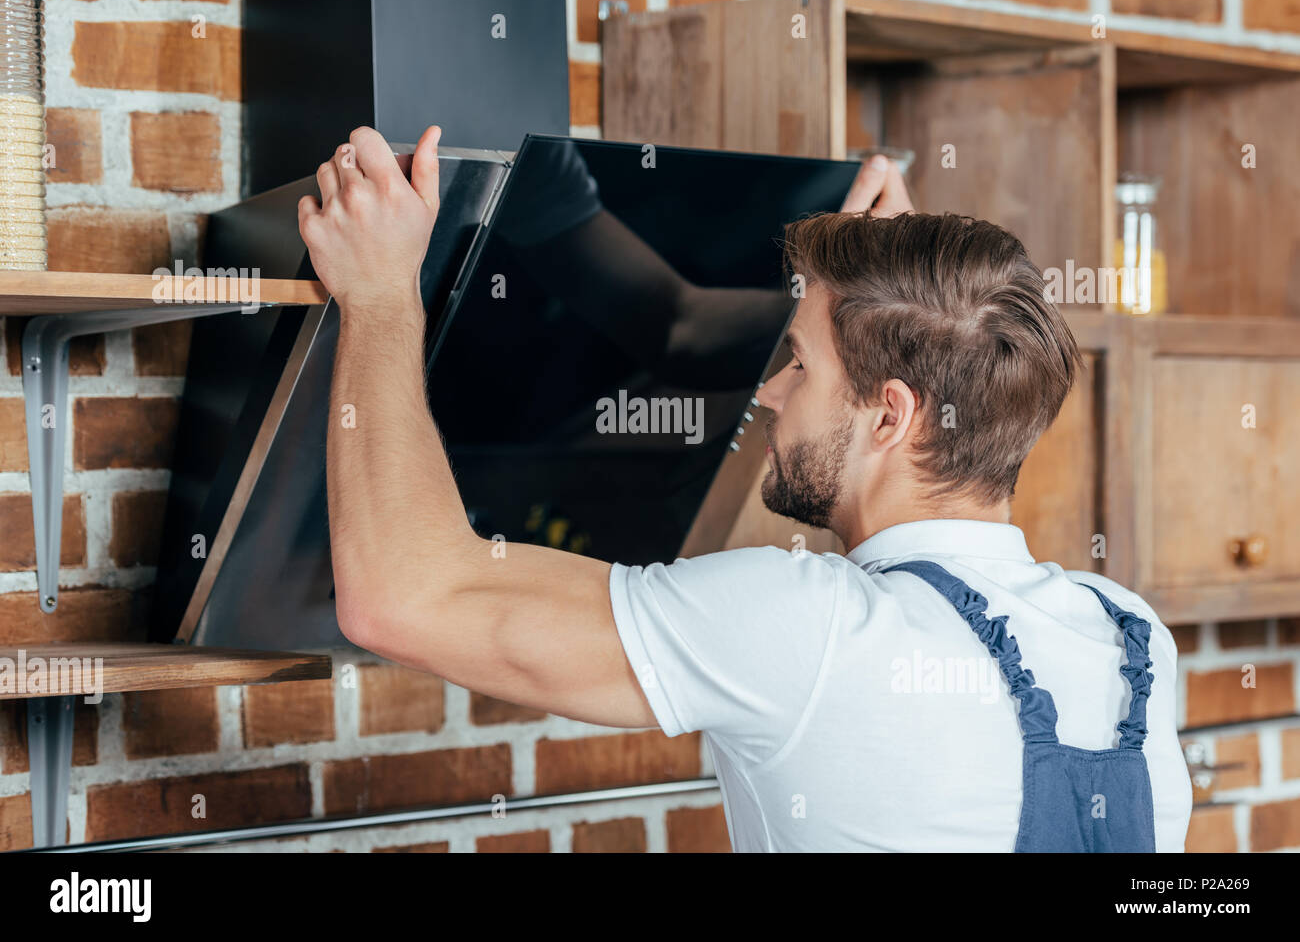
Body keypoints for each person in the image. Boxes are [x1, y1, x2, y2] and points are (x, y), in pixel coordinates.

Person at [298, 125, 1193, 852]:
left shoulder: (807, 627)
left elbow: (403, 597)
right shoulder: (1127, 634)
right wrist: (914, 308)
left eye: (797, 364)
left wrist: (380, 296)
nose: (767, 392)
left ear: (889, 417)